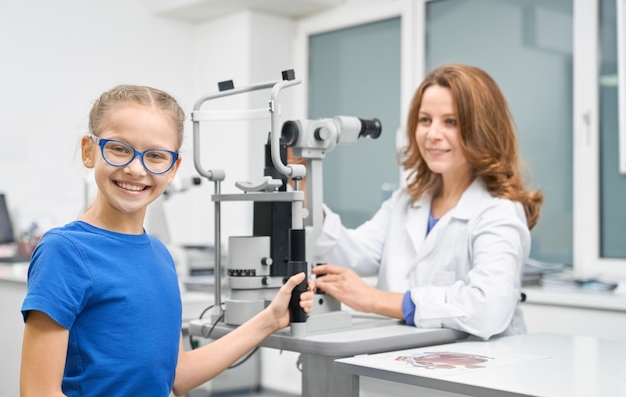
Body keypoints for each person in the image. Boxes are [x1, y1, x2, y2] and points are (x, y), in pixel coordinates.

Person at [19, 84, 314, 397]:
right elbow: (38, 392)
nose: (135, 168)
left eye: (156, 155)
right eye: (119, 148)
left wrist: (270, 319)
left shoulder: (160, 256)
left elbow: (180, 375)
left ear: (173, 168)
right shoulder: (64, 251)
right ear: (89, 151)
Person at [312, 64, 543, 340]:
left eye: (451, 122)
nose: (432, 134)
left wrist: (376, 300)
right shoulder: (406, 201)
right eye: (425, 120)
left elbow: (487, 308)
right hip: (406, 358)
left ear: (482, 129)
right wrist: (304, 184)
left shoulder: (498, 210)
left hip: (480, 370)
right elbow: (350, 254)